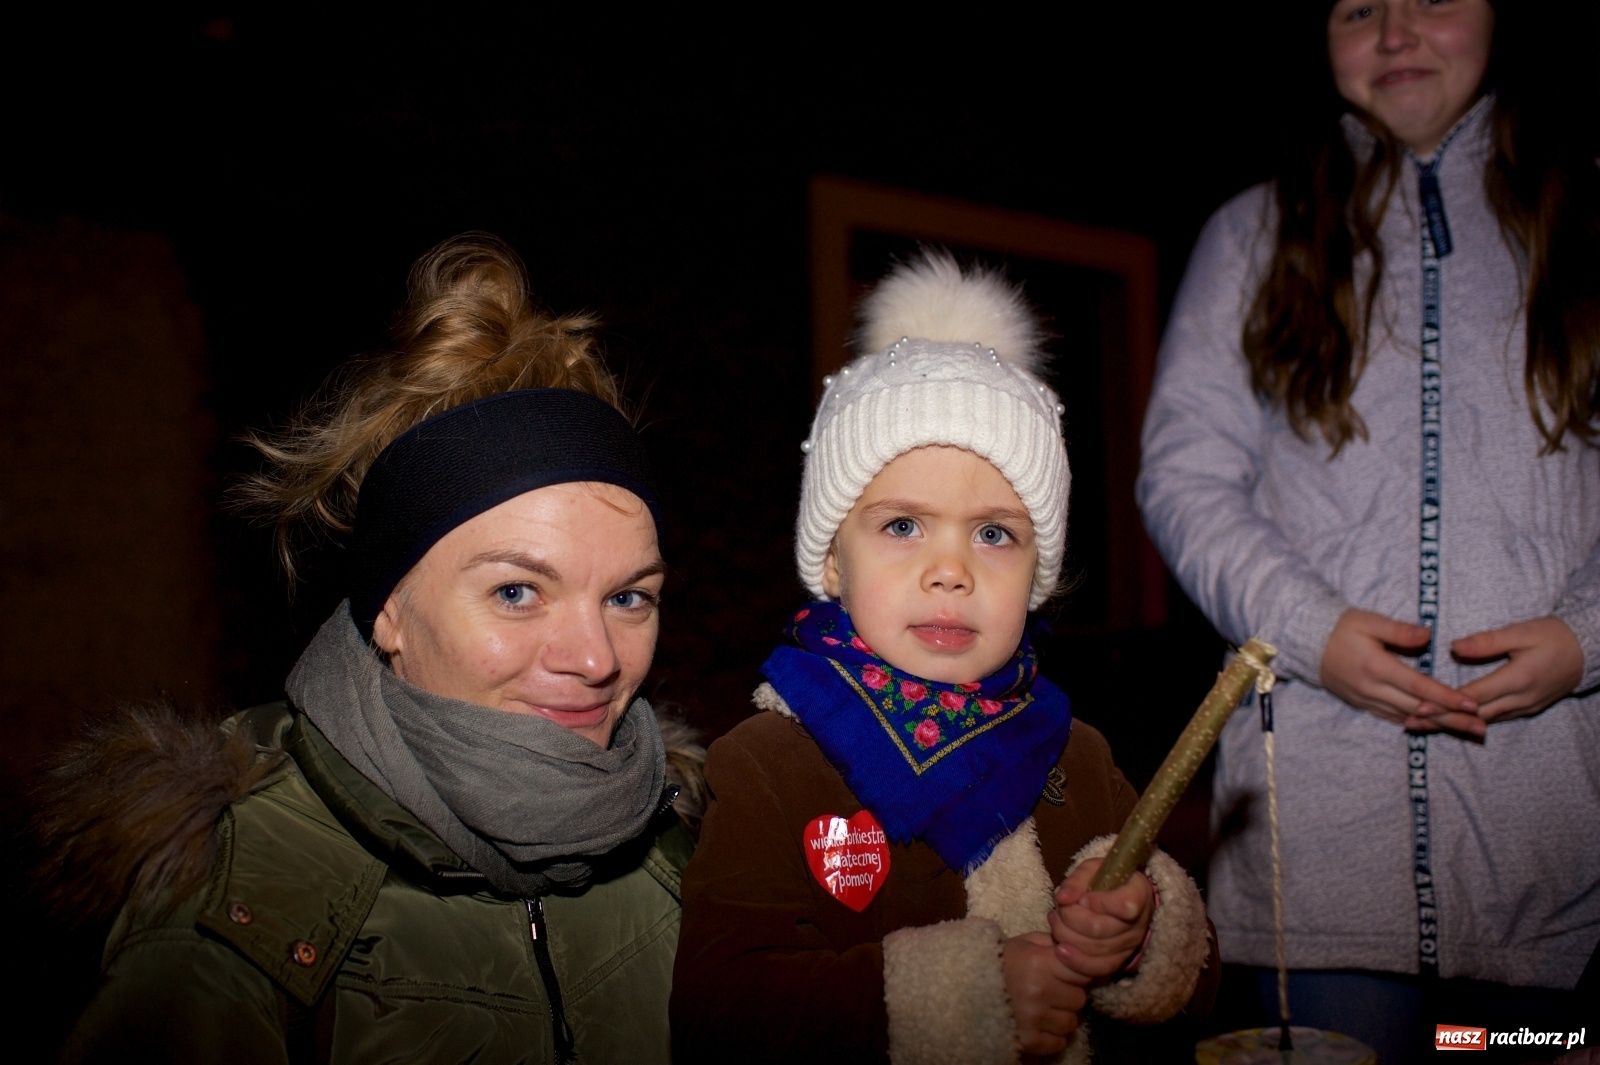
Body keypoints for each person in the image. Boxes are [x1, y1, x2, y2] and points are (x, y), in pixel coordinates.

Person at [39, 234, 699, 1064]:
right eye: (516, 591)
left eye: (628, 597)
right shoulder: (239, 910)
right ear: (389, 611)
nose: (596, 658)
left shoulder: (689, 854)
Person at [1138, 2, 1600, 1060]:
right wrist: (1310, 628)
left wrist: (1586, 639)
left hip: (1561, 869)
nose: (1395, 34)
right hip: (1317, 867)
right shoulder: (1249, 234)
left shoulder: (1587, 221)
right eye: (1359, 8)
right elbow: (1183, 474)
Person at [671, 253, 1217, 1065]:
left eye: (994, 533)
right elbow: (717, 1013)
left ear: (1036, 572)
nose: (951, 569)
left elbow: (1200, 988)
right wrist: (967, 996)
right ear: (832, 561)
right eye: (903, 525)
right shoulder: (768, 765)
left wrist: (1139, 930)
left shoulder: (1079, 756)